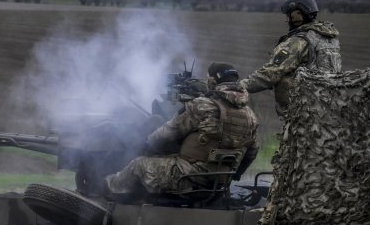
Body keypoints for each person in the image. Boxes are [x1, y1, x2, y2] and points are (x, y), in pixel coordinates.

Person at [105, 62, 259, 197]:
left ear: (213, 81)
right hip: (218, 182)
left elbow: (167, 133)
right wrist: (235, 175)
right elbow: (252, 151)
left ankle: (108, 191)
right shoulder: (250, 116)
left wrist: (147, 145)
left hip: (187, 178)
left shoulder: (202, 106)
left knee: (138, 165)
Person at [239, 0, 342, 115]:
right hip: (329, 104)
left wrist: (239, 86)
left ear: (299, 14)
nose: (287, 19)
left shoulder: (298, 41)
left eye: (289, 15)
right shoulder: (329, 38)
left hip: (304, 109)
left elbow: (271, 72)